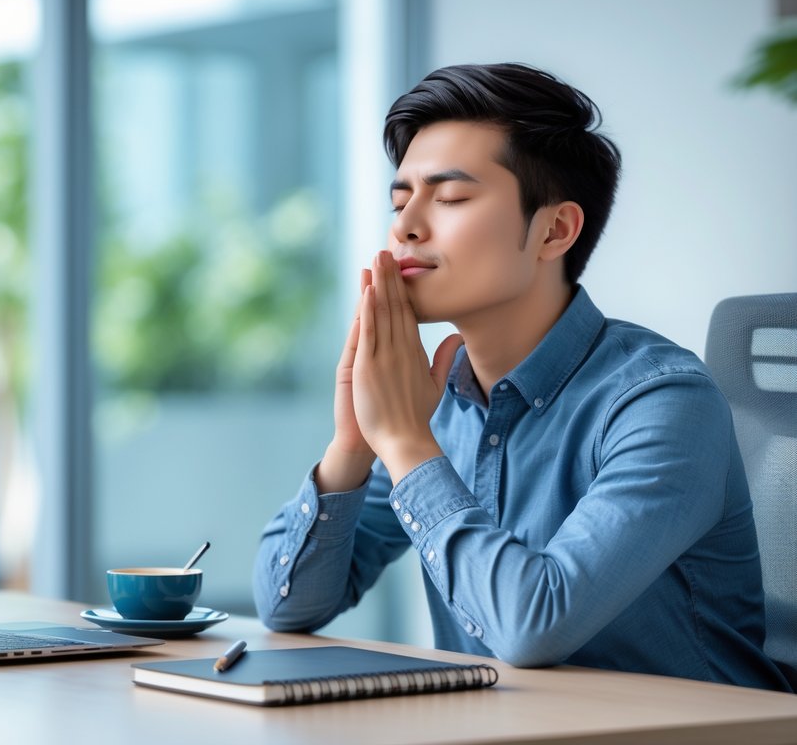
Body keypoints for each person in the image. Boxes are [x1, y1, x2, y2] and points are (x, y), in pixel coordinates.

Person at [252, 62, 792, 691]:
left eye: (450, 197)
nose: (405, 226)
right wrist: (351, 446)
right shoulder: (438, 404)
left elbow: (534, 625)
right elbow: (288, 607)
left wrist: (403, 443)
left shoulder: (663, 402)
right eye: (400, 201)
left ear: (554, 230)